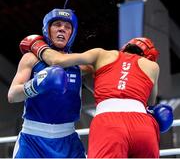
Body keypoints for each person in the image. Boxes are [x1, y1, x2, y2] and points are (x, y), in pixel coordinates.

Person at [19, 36, 173, 158]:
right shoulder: (153, 67)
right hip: (142, 126)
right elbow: (149, 105)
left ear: (125, 47)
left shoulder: (102, 54)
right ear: (148, 57)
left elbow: (57, 61)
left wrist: (36, 45)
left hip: (109, 123)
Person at [7, 8, 93, 158]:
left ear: (72, 33)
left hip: (68, 140)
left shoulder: (81, 65)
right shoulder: (31, 58)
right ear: (47, 29)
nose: (62, 29)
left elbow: (104, 93)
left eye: (67, 27)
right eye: (57, 25)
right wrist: (35, 85)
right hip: (32, 139)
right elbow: (12, 95)